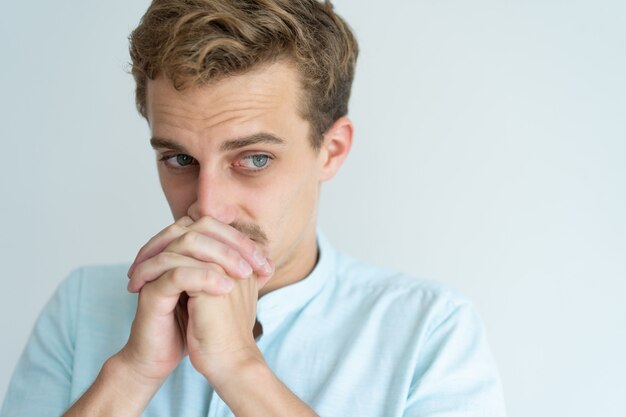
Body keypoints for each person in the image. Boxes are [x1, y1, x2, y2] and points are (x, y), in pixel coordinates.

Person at [1, 1, 506, 416]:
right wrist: (131, 374)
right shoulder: (80, 306)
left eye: (254, 158)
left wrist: (241, 370)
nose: (209, 207)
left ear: (331, 150)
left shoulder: (429, 332)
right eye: (179, 158)